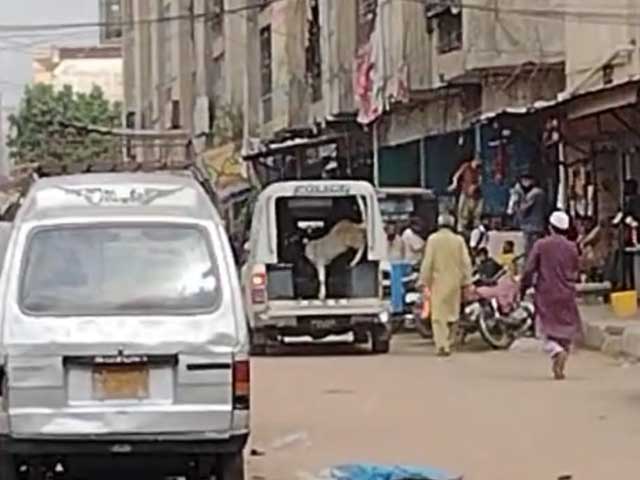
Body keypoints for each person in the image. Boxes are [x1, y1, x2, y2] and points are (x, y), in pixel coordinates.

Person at [521, 211, 581, 380]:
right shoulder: (572, 247)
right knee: (566, 329)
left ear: (550, 227)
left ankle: (556, 351)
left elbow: (529, 268)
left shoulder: (541, 245)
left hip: (546, 292)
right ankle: (560, 359)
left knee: (543, 329)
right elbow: (577, 269)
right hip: (567, 292)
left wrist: (523, 287)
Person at [418, 213, 473, 356]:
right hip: (455, 283)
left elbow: (428, 262)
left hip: (438, 283)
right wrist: (467, 282)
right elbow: (466, 263)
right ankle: (448, 342)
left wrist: (423, 281)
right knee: (453, 315)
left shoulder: (433, 240)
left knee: (438, 317)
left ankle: (441, 345)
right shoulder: (459, 241)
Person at [449, 157, 483, 234]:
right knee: (462, 211)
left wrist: (475, 186)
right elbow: (456, 175)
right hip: (465, 193)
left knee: (476, 213)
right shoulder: (466, 166)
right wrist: (454, 184)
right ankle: (461, 229)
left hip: (475, 195)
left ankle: (475, 228)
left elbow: (480, 180)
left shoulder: (478, 170)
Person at [518, 174, 547, 259]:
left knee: (531, 251)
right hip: (538, 225)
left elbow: (523, 209)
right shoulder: (541, 193)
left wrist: (520, 198)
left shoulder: (533, 194)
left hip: (531, 227)